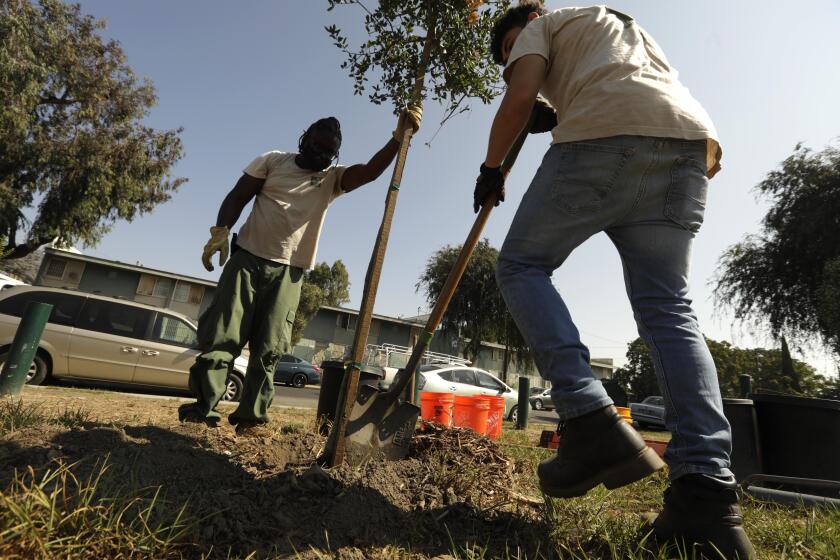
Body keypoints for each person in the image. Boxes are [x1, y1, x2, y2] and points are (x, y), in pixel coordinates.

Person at [474, 3, 754, 558]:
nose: (511, 63)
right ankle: (706, 493)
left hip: (607, 139)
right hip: (687, 149)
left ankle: (587, 415)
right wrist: (558, 110)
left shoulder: (538, 24)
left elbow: (523, 92)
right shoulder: (614, 23)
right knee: (669, 308)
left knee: (521, 264)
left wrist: (490, 166)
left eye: (508, 54)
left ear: (527, 21)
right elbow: (612, 83)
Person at [178, 108, 421, 436]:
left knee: (269, 347)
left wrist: (398, 138)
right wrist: (221, 230)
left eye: (326, 151)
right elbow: (239, 194)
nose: (318, 154)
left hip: (289, 273)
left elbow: (370, 172)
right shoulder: (273, 161)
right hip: (247, 260)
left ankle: (251, 419)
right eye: (314, 145)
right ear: (303, 139)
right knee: (224, 336)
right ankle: (200, 412)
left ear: (333, 155)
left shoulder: (332, 179)